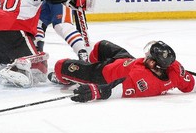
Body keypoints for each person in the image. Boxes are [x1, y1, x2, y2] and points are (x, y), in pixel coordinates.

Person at [48, 40, 195, 103]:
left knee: (61, 66)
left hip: (103, 74)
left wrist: (97, 91)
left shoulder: (142, 80)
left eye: (148, 55)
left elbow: (117, 88)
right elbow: (190, 85)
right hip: (124, 59)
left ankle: (66, 77)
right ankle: (86, 65)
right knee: (100, 46)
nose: (146, 55)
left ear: (152, 62)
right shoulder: (174, 69)